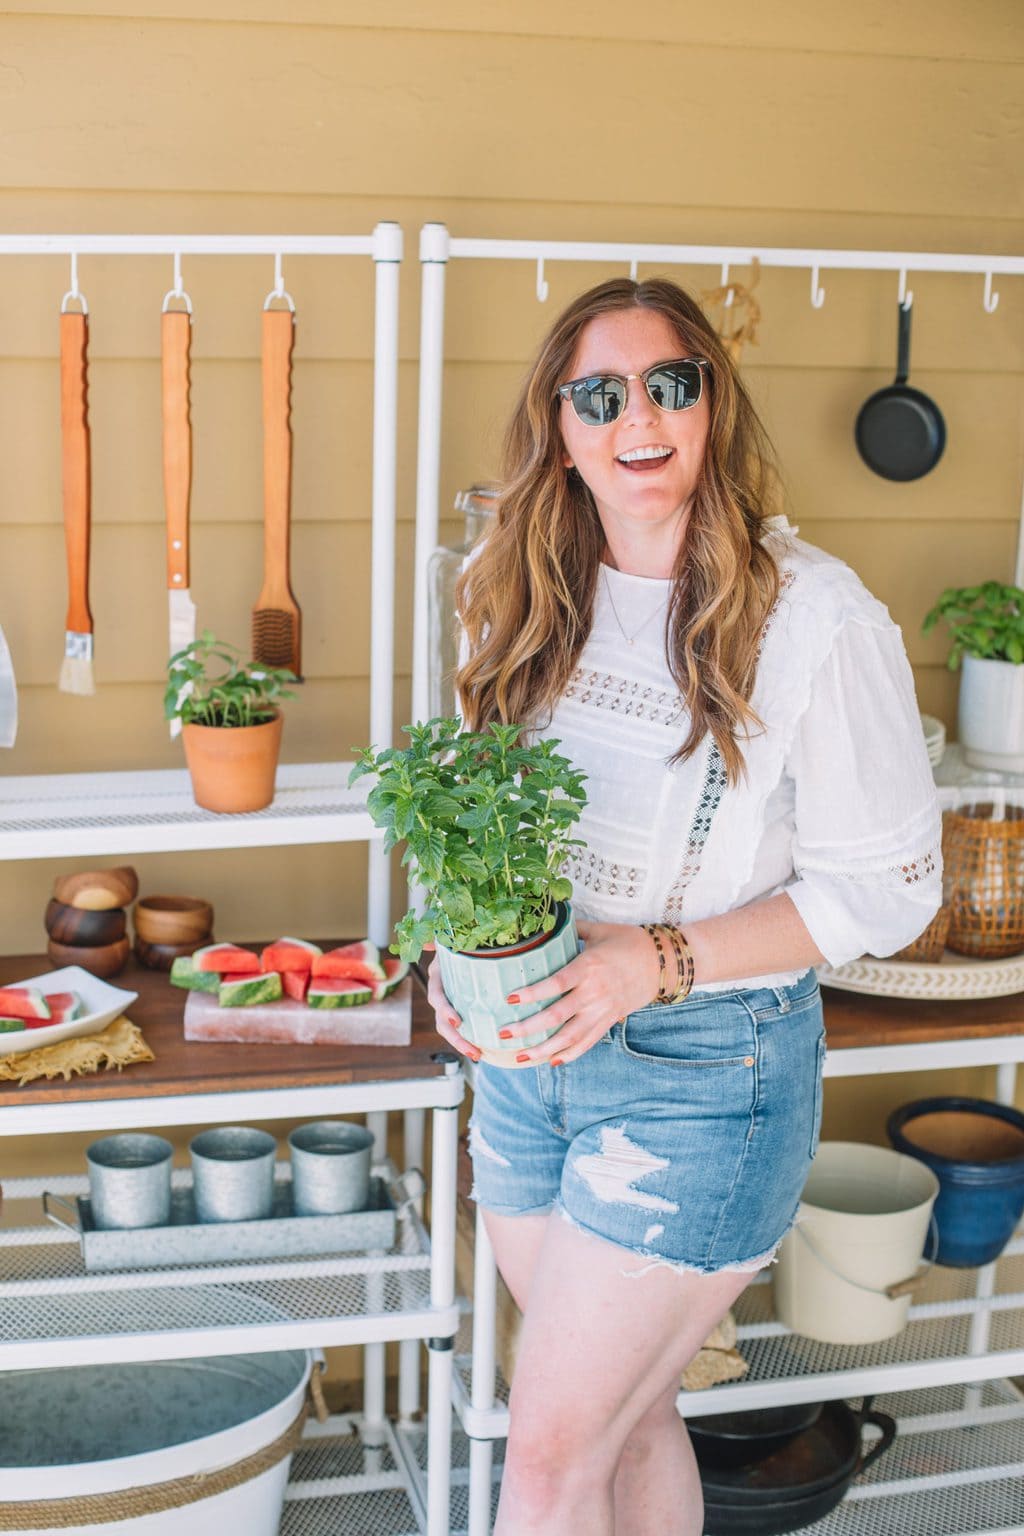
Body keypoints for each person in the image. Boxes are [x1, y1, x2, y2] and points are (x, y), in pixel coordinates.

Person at [426, 277, 942, 1536]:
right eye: (598, 395)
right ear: (560, 427)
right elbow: (481, 811)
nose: (637, 417)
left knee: (545, 1458)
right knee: (623, 1418)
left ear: (712, 403)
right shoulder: (516, 581)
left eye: (671, 382)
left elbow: (886, 893)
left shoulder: (810, 614)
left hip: (708, 1073)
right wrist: (465, 955)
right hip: (532, 1059)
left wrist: (646, 964)